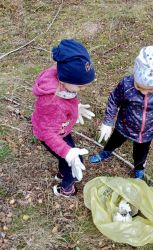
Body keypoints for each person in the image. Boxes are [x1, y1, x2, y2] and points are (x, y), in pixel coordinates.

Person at [89, 45, 153, 179]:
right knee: (113, 141)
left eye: (150, 90)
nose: (144, 92)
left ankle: (139, 169)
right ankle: (106, 152)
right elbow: (114, 100)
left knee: (140, 154)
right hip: (123, 126)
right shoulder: (126, 84)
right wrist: (108, 122)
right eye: (139, 87)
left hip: (146, 133)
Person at [32, 39, 95, 197]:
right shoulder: (52, 103)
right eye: (80, 86)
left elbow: (68, 98)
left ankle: (62, 171)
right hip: (52, 134)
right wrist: (67, 152)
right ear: (64, 81)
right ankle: (66, 187)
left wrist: (76, 108)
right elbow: (48, 133)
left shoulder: (63, 79)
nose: (83, 88)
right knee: (71, 160)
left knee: (70, 156)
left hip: (60, 128)